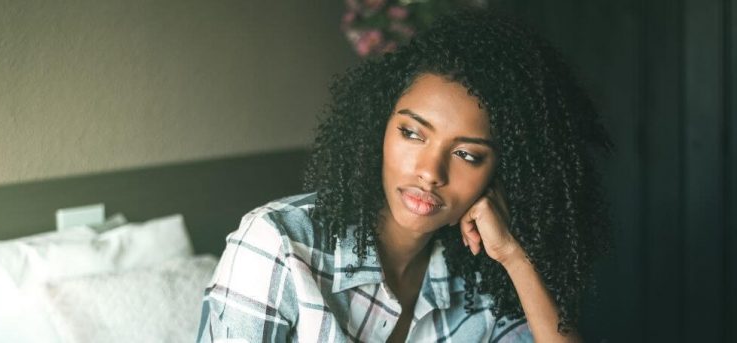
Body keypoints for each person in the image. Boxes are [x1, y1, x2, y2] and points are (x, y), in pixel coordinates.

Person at [197, 11, 610, 343]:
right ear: (379, 127)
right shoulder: (278, 246)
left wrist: (516, 258)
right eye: (412, 133)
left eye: (467, 154)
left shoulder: (480, 279)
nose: (430, 172)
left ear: (503, 174)